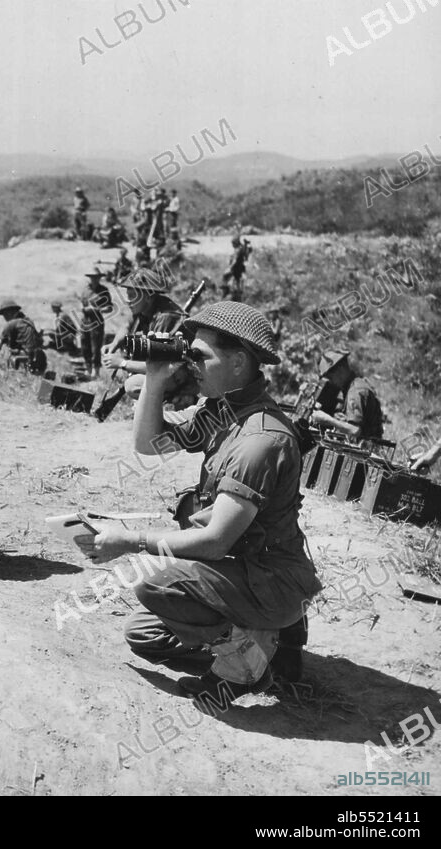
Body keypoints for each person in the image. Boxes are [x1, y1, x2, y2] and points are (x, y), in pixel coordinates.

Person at [79, 301, 323, 701]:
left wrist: (127, 539)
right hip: (241, 570)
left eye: (199, 356)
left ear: (240, 362)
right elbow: (147, 443)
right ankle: (269, 645)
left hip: (268, 579)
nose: (190, 364)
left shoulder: (260, 439)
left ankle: (250, 659)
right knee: (143, 635)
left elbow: (214, 541)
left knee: (154, 581)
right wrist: (156, 378)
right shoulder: (223, 412)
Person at [101, 268, 198, 407]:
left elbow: (159, 365)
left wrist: (122, 363)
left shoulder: (166, 318)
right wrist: (114, 344)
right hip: (166, 369)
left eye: (132, 295)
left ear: (147, 296)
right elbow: (128, 324)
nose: (128, 301)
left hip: (183, 375)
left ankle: (180, 399)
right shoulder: (145, 307)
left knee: (132, 385)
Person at [310, 350, 384, 441]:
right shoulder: (354, 385)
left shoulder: (355, 391)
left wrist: (327, 419)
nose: (331, 382)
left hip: (366, 449)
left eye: (331, 377)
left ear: (341, 370)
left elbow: (355, 430)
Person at [0, 299, 47, 374]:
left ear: (9, 312)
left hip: (25, 358)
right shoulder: (28, 321)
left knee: (4, 353)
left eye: (4, 314)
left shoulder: (11, 324)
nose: (4, 317)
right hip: (40, 358)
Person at [80, 271, 113, 378]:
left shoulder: (104, 291)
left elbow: (109, 307)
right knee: (85, 345)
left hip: (97, 322)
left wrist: (97, 309)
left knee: (96, 347)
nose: (94, 279)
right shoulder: (85, 290)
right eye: (92, 277)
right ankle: (88, 368)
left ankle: (96, 370)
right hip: (85, 321)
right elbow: (81, 304)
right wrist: (84, 309)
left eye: (96, 277)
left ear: (99, 278)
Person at [221, 235, 250, 301]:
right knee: (236, 282)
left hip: (235, 269)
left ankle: (225, 290)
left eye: (233, 243)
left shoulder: (238, 250)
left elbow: (235, 260)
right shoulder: (241, 248)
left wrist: (230, 267)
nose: (232, 245)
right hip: (239, 269)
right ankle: (231, 291)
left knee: (225, 275)